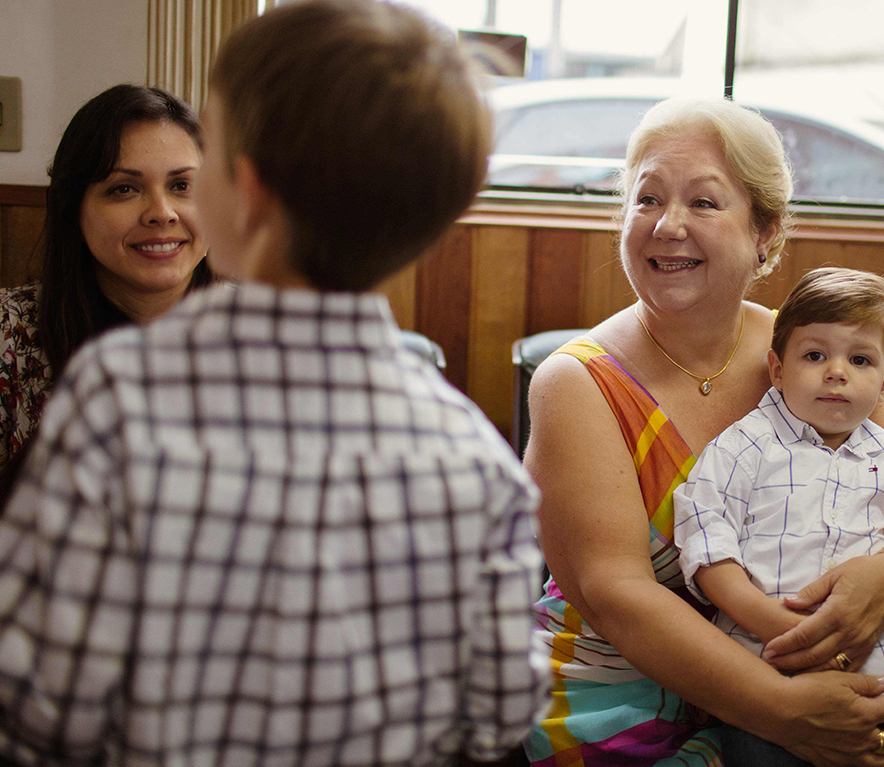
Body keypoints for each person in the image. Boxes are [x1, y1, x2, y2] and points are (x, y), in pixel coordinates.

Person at [0, 1, 548, 764]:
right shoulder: (481, 461)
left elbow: (40, 705)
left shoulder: (116, 397)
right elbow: (496, 718)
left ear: (243, 194)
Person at [523, 96, 884, 767]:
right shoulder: (575, 383)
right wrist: (785, 712)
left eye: (703, 202)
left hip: (802, 669)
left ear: (766, 231)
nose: (667, 225)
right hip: (621, 701)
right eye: (647, 199)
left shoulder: (809, 351)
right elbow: (617, 594)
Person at [674, 267, 884, 767]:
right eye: (815, 355)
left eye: (859, 359)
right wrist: (784, 633)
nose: (837, 371)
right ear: (777, 369)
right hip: (774, 682)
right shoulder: (741, 449)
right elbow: (708, 554)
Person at [0, 84, 214, 493]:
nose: (161, 213)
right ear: (72, 209)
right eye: (124, 189)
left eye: (182, 186)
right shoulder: (10, 332)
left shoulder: (263, 335)